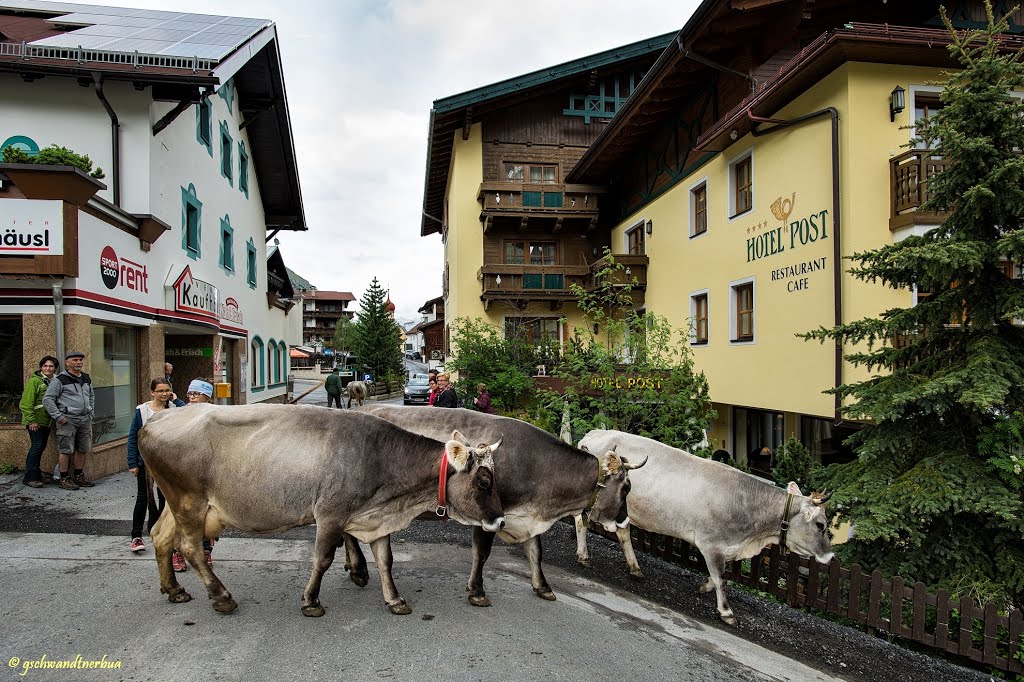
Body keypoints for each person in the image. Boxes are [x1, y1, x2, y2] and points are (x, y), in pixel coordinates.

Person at [126, 378, 184, 553]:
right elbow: (132, 438)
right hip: (147, 463)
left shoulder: (174, 408)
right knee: (143, 498)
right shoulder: (142, 411)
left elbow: (190, 412)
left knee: (166, 500)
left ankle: (162, 534)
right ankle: (136, 536)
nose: (164, 394)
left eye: (167, 390)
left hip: (168, 464)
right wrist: (132, 463)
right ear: (152, 392)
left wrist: (176, 399)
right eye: (160, 391)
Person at [170, 378, 217, 571]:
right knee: (182, 513)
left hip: (207, 472)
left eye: (196, 394)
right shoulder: (179, 413)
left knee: (207, 514)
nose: (192, 397)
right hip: (183, 471)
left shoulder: (215, 415)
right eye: (190, 394)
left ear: (207, 396)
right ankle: (178, 552)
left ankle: (205, 551)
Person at [42, 351, 95, 490]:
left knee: (82, 449)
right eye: (75, 360)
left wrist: (90, 412)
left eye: (80, 360)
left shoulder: (86, 378)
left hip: (85, 419)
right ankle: (64, 478)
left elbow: (91, 395)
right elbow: (48, 400)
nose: (79, 362)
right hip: (67, 420)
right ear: (67, 362)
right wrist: (58, 416)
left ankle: (78, 476)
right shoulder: (59, 380)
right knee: (66, 450)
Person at [19, 356, 58, 488]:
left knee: (40, 447)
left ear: (55, 368)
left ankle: (37, 474)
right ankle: (29, 477)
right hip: (36, 422)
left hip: (46, 422)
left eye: (51, 366)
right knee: (36, 447)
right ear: (41, 367)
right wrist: (31, 420)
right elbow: (25, 403)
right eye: (45, 366)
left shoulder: (54, 381)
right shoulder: (35, 381)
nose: (48, 368)